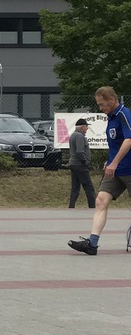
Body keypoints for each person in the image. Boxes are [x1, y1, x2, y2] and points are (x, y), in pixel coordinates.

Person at [69, 86, 131, 255]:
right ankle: (92, 244)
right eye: (98, 104)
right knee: (101, 200)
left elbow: (129, 140)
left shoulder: (124, 114)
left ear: (112, 100)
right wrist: (109, 161)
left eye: (102, 104)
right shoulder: (110, 118)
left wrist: (114, 162)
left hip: (127, 168)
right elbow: (116, 144)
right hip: (115, 170)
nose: (100, 108)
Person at [68, 117, 96, 209]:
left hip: (74, 164)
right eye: (86, 127)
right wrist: (85, 161)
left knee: (75, 187)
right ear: (82, 127)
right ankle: (92, 206)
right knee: (89, 187)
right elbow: (80, 151)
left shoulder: (73, 135)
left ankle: (71, 206)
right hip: (80, 165)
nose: (87, 129)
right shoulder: (79, 136)